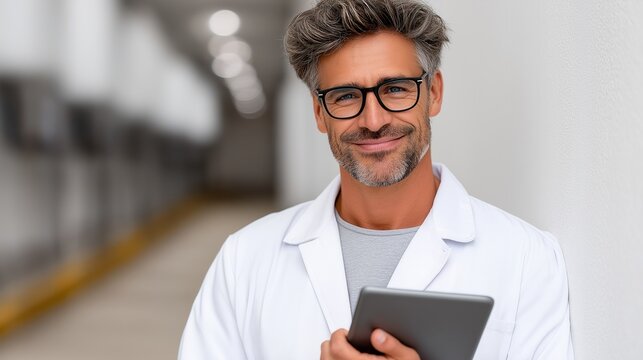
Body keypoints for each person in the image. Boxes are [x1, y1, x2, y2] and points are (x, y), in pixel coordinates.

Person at [178, 0, 574, 359]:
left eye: (396, 89)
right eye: (346, 96)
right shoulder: (245, 260)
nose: (373, 120)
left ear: (433, 93)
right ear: (319, 113)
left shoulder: (526, 259)